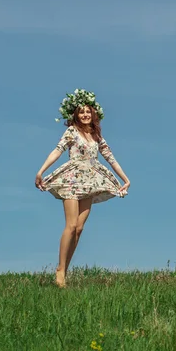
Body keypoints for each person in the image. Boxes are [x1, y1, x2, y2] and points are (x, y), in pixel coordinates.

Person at [34, 89, 130, 288]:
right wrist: (41, 171)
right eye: (81, 112)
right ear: (75, 115)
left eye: (88, 111)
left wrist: (125, 179)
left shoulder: (96, 136)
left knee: (79, 228)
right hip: (72, 179)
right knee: (70, 226)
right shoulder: (72, 131)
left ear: (93, 114)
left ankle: (65, 270)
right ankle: (60, 270)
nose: (85, 115)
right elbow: (57, 150)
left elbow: (110, 158)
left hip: (90, 181)